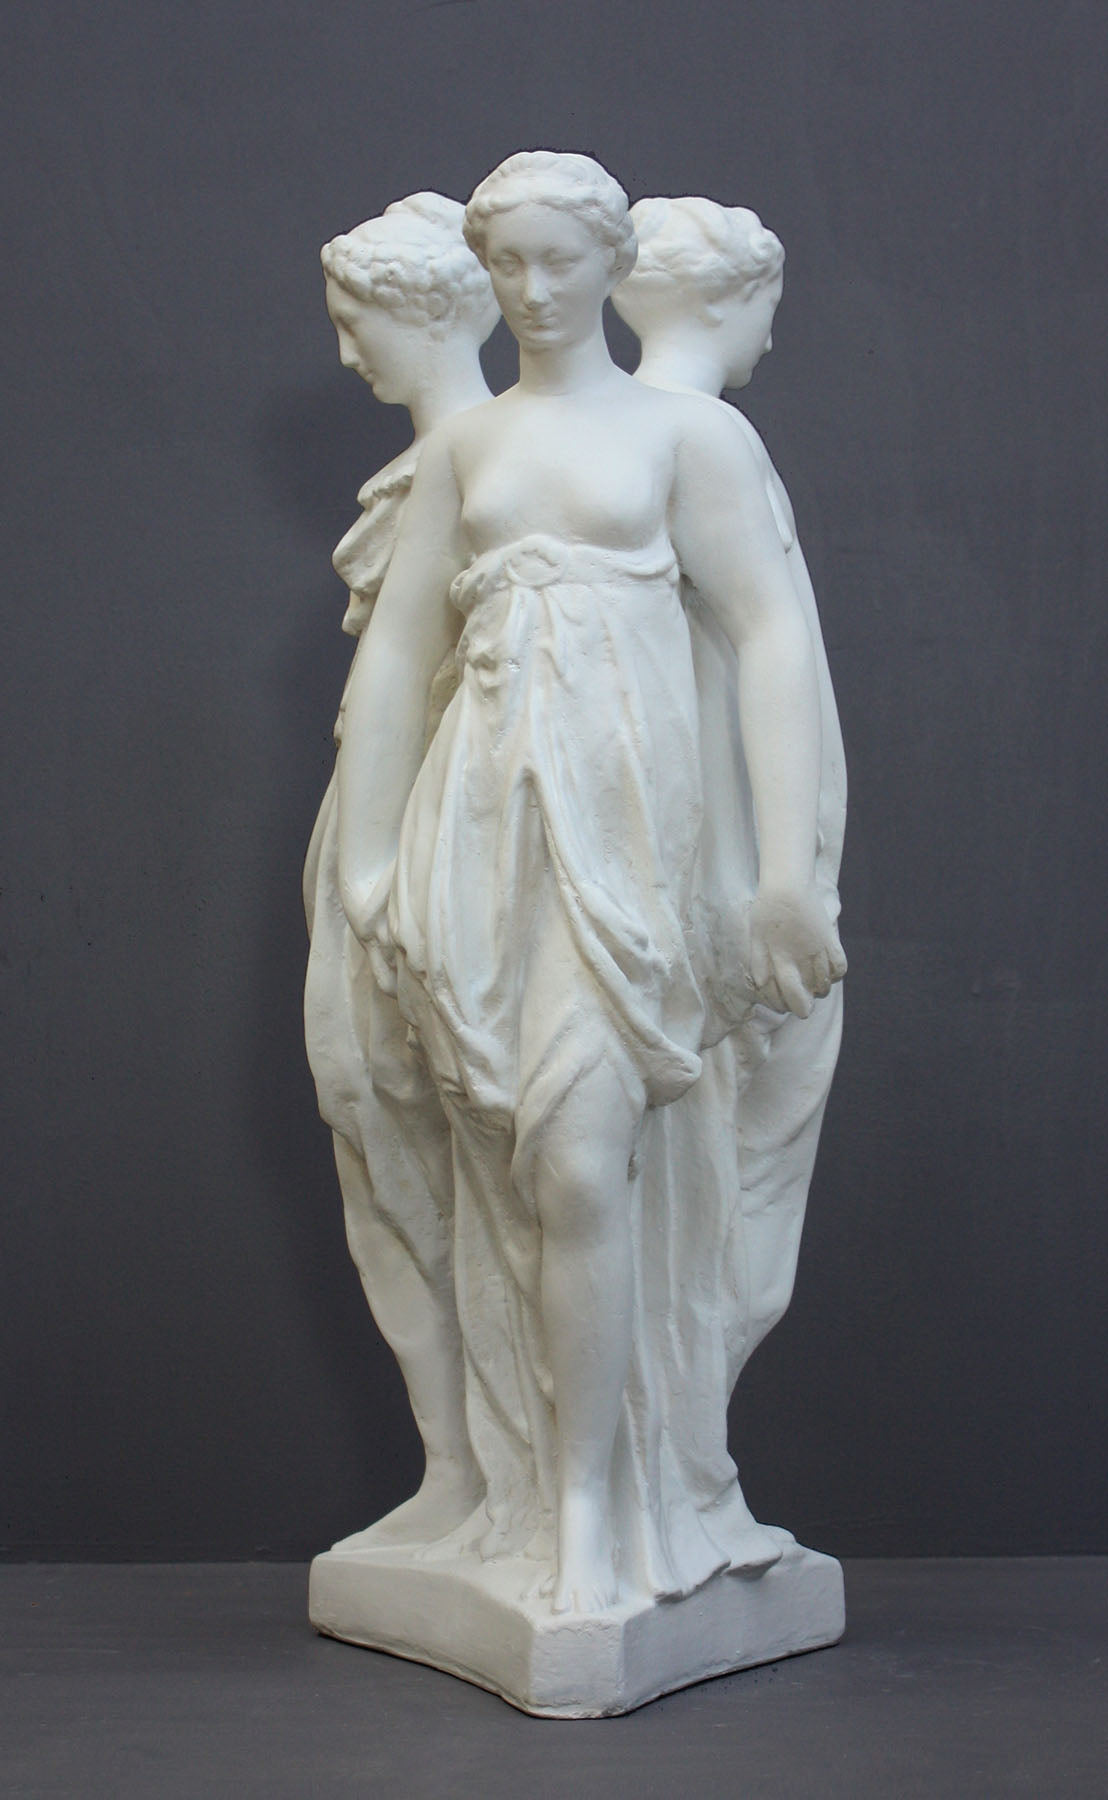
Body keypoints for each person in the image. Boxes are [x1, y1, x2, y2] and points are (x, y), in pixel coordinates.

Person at [336, 153, 846, 1612]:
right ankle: (550, 1497)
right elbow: (390, 666)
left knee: (577, 1158)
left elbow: (768, 640)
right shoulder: (467, 454)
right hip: (482, 832)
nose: (537, 291)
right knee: (511, 1161)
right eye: (512, 266)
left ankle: (595, 1510)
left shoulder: (687, 439)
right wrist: (374, 855)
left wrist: (783, 876)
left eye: (563, 262)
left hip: (635, 841)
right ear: (487, 276)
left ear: (608, 264)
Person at [612, 196, 846, 1394]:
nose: (770, 330)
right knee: (733, 1151)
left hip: (686, 846)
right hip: (736, 859)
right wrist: (788, 879)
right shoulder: (703, 435)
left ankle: (665, 1452)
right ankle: (672, 1443)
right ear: (732, 298)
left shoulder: (614, 438)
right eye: (767, 304)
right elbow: (772, 647)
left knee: (689, 1161)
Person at [304, 192, 497, 1548]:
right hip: (382, 848)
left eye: (351, 320)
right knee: (381, 1140)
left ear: (419, 310)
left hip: (450, 863)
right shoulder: (444, 470)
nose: (343, 353)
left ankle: (494, 1475)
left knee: (448, 1151)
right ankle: (460, 1474)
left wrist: (387, 878)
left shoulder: (485, 470)